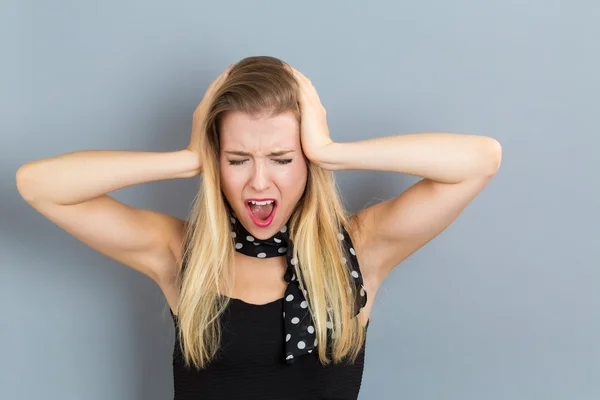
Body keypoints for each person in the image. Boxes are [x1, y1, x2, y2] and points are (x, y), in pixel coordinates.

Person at [15, 55, 502, 399]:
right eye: (238, 159)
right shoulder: (180, 252)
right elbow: (38, 184)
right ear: (217, 161)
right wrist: (187, 158)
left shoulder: (360, 249)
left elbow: (480, 159)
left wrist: (331, 151)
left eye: (282, 158)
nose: (259, 180)